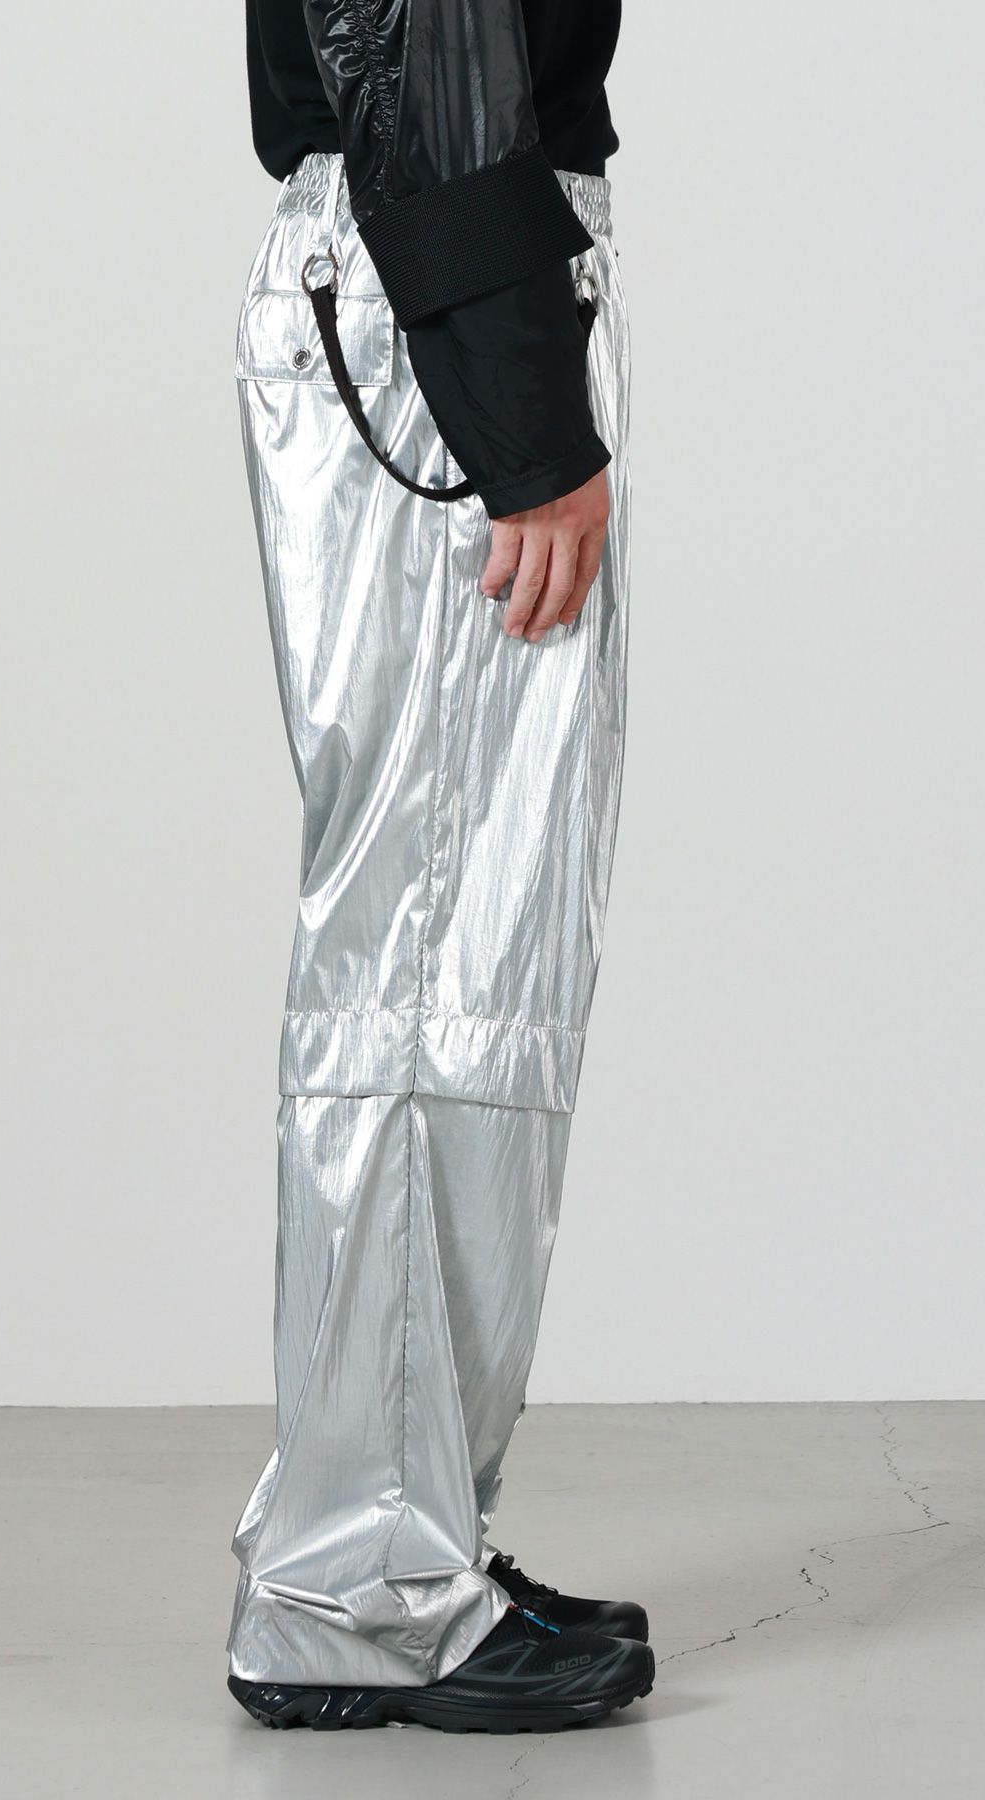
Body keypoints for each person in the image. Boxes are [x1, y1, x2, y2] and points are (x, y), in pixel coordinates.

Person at [225, 0, 650, 1733]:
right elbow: (419, 36)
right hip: (435, 292)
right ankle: (364, 1582)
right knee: (428, 959)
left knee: (466, 958)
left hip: (435, 276)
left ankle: (406, 1537)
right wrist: (528, 420)